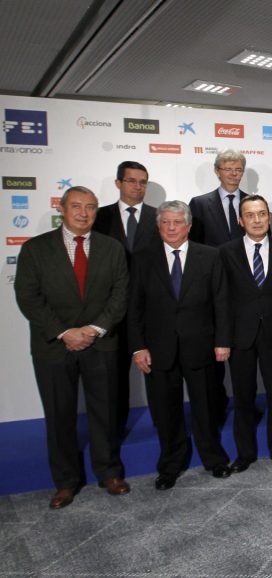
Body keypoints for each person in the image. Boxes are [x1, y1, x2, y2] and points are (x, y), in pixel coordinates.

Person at [15, 186, 130, 509]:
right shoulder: (36, 249)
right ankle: (65, 481)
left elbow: (120, 296)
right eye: (77, 206)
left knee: (105, 412)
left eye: (91, 207)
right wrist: (64, 332)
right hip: (54, 346)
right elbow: (28, 298)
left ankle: (109, 472)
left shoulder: (112, 248)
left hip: (100, 343)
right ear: (62, 209)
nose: (84, 213)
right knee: (59, 414)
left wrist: (93, 330)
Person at [128, 200, 233, 489]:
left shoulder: (209, 256)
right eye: (165, 222)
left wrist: (223, 341)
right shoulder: (142, 257)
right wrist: (138, 347)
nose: (171, 228)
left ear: (188, 226)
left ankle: (214, 459)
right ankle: (170, 465)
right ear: (158, 225)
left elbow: (221, 303)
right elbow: (133, 308)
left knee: (206, 408)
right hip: (158, 350)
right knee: (165, 411)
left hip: (201, 346)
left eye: (177, 222)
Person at [220, 195, 272, 472]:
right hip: (241, 337)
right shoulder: (226, 252)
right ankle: (245, 453)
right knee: (243, 397)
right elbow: (222, 299)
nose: (257, 219)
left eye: (262, 213)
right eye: (250, 215)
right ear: (241, 220)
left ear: (269, 217)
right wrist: (223, 339)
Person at [93, 160, 161, 437]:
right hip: (110, 307)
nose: (138, 186)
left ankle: (162, 423)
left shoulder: (160, 218)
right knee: (113, 374)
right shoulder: (98, 217)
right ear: (118, 183)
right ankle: (114, 427)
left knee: (156, 371)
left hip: (150, 309)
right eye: (132, 181)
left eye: (143, 181)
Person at [188, 149, 249, 424]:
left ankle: (245, 406)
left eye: (238, 169)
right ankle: (216, 405)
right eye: (228, 169)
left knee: (242, 356)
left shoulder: (253, 203)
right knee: (214, 353)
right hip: (211, 292)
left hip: (245, 292)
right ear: (217, 171)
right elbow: (195, 250)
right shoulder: (199, 204)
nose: (233, 174)